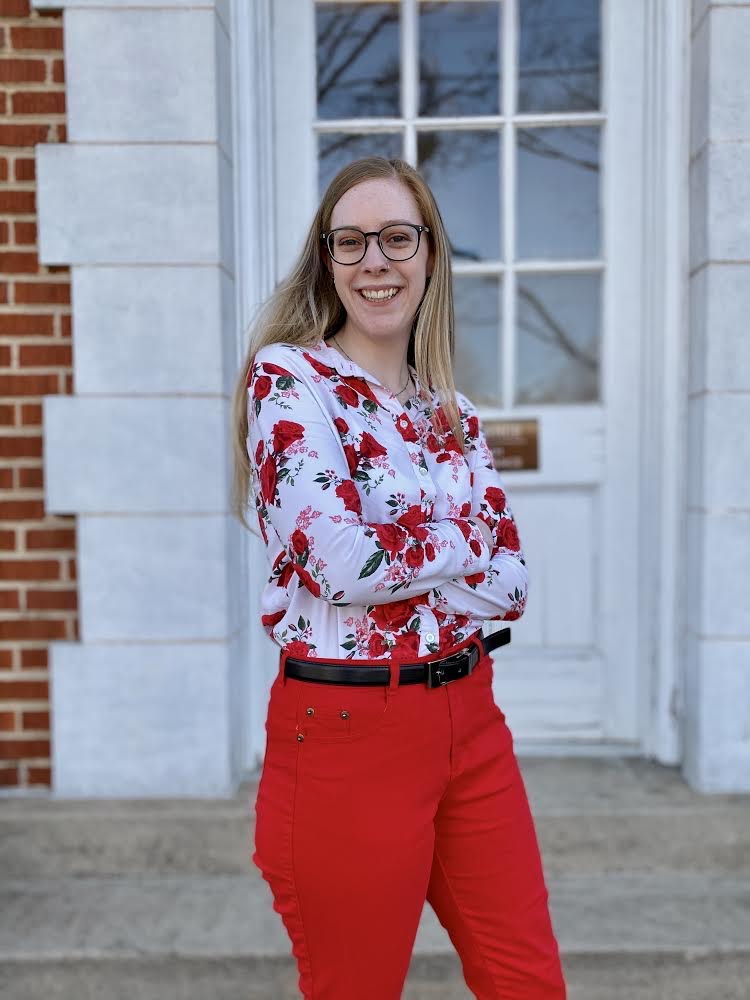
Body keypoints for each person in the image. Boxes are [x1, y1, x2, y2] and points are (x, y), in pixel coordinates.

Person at [231, 156, 567, 999]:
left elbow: (513, 583)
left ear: (429, 254)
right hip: (348, 730)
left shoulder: (452, 411)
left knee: (529, 982)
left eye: (396, 238)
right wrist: (464, 539)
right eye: (350, 242)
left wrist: (405, 552)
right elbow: (342, 564)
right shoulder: (290, 381)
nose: (374, 261)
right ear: (327, 260)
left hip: (471, 720)